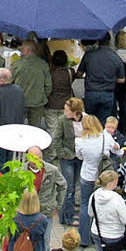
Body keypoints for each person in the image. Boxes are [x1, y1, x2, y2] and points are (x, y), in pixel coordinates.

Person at [75, 114, 117, 247]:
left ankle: (84, 238)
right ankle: (98, 234)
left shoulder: (80, 141)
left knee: (85, 204)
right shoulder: (105, 137)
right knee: (100, 205)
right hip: (102, 176)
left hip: (87, 174)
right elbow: (114, 149)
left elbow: (79, 157)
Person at [26, 145, 66, 251]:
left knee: (45, 245)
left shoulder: (51, 170)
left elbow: (63, 185)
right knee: (26, 243)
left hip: (45, 213)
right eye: (34, 158)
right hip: (27, 212)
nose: (37, 161)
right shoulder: (21, 172)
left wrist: (57, 206)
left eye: (40, 157)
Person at [75, 34, 125, 122]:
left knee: (89, 121)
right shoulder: (116, 58)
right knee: (103, 122)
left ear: (98, 41)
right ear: (109, 42)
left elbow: (79, 74)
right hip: (107, 94)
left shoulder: (89, 55)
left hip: (91, 93)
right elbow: (121, 80)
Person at [52, 97, 84, 227]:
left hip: (80, 156)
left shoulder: (86, 120)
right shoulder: (62, 121)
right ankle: (67, 216)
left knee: (75, 185)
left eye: (67, 110)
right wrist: (62, 154)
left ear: (75, 111)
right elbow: (56, 139)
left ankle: (68, 212)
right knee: (68, 187)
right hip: (68, 157)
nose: (64, 112)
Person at [0, 68, 26, 172]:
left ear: (1, 80)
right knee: (10, 161)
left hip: (0, 133)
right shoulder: (19, 90)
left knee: (0, 162)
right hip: (15, 131)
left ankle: (0, 183)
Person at [11, 39, 52, 130]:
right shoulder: (43, 64)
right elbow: (48, 85)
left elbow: (9, 82)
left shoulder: (17, 64)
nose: (20, 49)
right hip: (38, 101)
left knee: (18, 128)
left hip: (20, 101)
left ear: (28, 50)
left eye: (22, 48)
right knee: (35, 129)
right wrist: (43, 95)